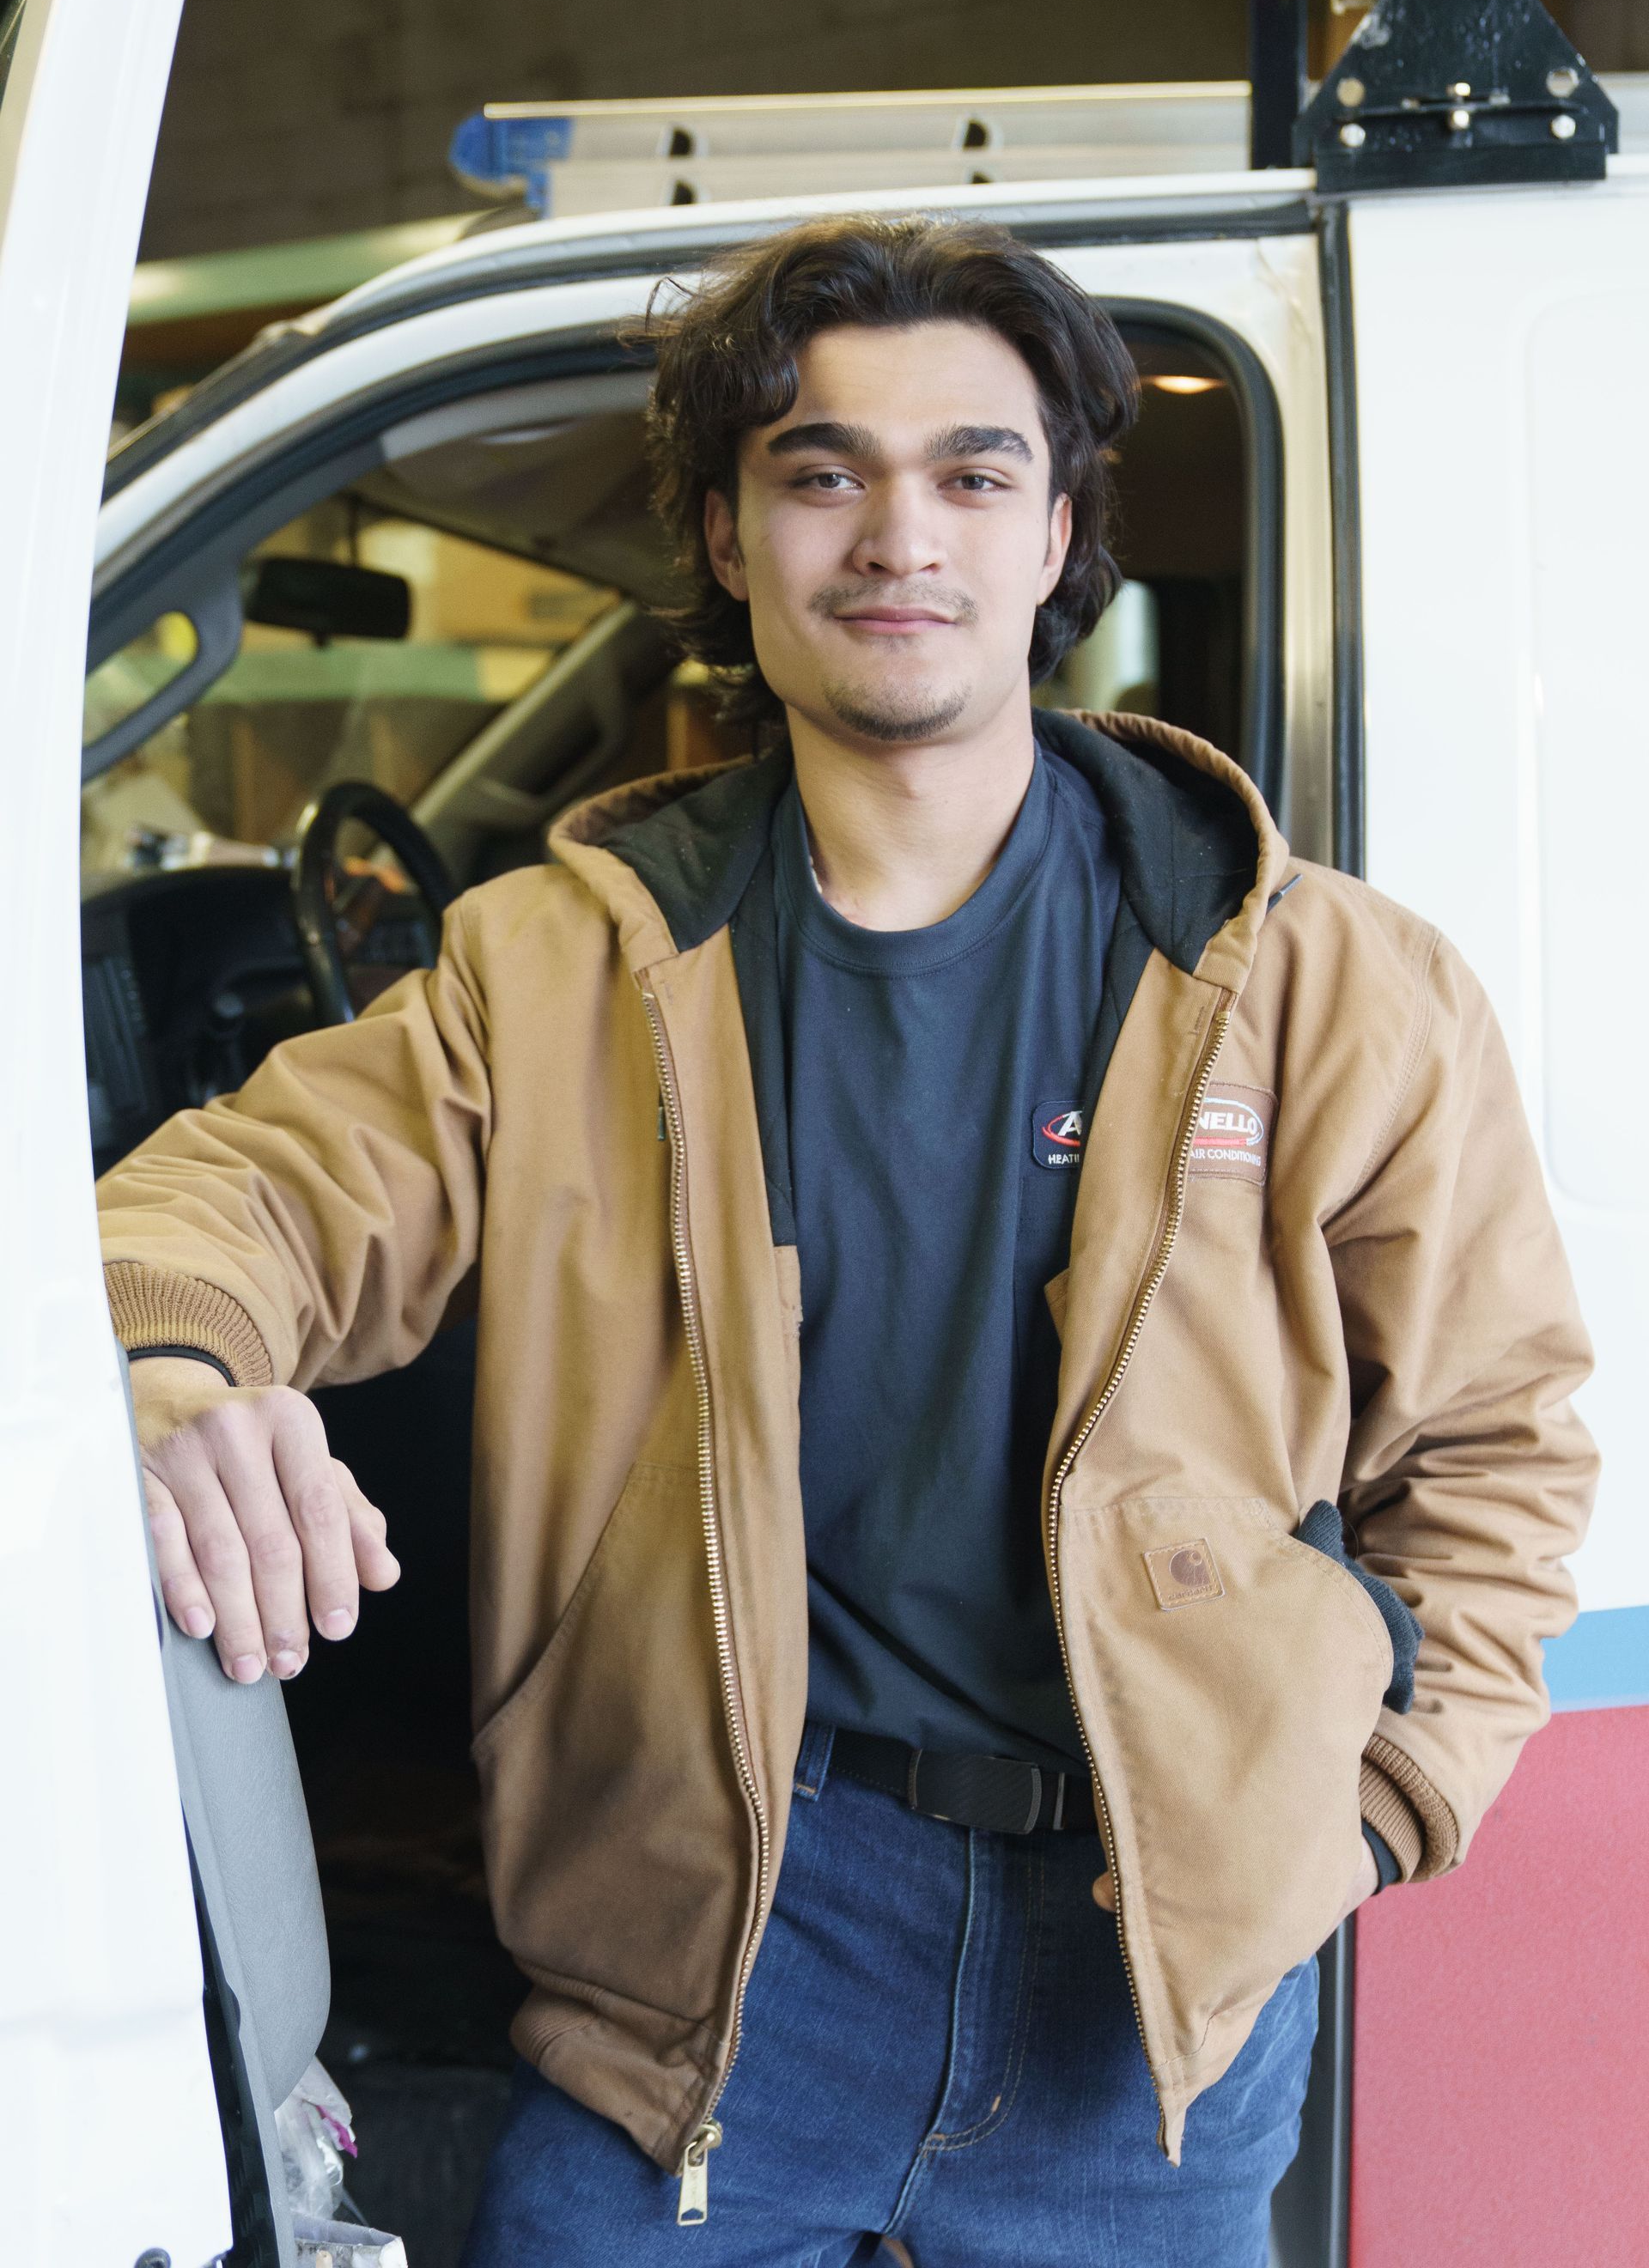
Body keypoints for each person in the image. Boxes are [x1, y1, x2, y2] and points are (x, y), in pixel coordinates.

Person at [101, 216, 1597, 2266]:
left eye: (974, 471)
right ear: (729, 536)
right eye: (822, 472)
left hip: (1141, 1988)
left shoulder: (1325, 984)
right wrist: (175, 1366)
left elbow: (1505, 1447)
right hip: (717, 1972)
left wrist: (1366, 1809)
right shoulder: (559, 968)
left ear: (1059, 529)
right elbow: (233, 1194)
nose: (901, 531)